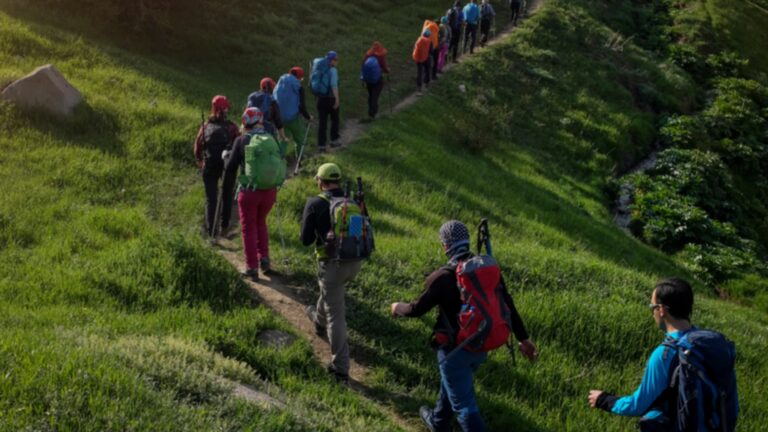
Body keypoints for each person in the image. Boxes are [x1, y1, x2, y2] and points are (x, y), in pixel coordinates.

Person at [390, 220, 538, 432]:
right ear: (467, 240)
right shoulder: (487, 271)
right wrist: (524, 339)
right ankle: (438, 422)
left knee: (464, 406)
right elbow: (508, 304)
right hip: (481, 345)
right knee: (453, 383)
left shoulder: (441, 277)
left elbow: (416, 309)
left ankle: (448, 424)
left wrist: (397, 307)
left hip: (454, 350)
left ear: (445, 245)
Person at [588, 278, 739, 431]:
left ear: (661, 310)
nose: (652, 313)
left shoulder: (666, 354)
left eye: (652, 307)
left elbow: (638, 406)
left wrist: (604, 400)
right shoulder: (707, 343)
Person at [301, 163, 364, 383]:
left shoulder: (315, 203)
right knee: (330, 293)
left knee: (336, 316)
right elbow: (356, 235)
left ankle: (340, 368)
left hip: (332, 266)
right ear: (338, 181)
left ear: (321, 181)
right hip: (354, 262)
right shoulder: (351, 202)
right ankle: (318, 321)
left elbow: (305, 240)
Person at [222, 107, 286, 280]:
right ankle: (264, 260)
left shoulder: (242, 140)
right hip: (270, 191)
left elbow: (230, 168)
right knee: (261, 223)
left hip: (250, 192)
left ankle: (251, 267)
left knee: (248, 228)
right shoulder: (270, 137)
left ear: (244, 122)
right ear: (261, 120)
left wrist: (225, 156)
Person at [193, 95, 240, 238]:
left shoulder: (206, 126)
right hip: (227, 166)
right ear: (226, 109)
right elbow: (238, 144)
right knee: (227, 195)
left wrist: (199, 160)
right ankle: (224, 227)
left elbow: (198, 145)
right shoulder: (232, 127)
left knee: (211, 199)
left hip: (209, 165)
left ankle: (211, 232)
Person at [274, 67, 313, 158]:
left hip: (280, 119)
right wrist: (308, 117)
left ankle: (279, 160)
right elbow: (302, 106)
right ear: (299, 77)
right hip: (294, 118)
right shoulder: (299, 88)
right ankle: (300, 158)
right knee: (299, 138)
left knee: (283, 139)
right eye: (301, 79)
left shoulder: (280, 83)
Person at [314, 51, 342, 152]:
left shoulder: (319, 70)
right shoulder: (333, 70)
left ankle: (321, 145)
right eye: (336, 59)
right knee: (335, 120)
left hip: (320, 99)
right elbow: (334, 85)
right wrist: (337, 99)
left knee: (322, 123)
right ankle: (334, 140)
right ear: (331, 60)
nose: (337, 61)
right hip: (330, 99)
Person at [360, 41, 390, 119]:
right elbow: (384, 67)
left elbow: (363, 65)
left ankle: (370, 112)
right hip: (377, 79)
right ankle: (373, 113)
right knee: (375, 96)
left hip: (368, 80)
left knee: (371, 95)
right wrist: (387, 70)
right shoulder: (380, 56)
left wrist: (363, 77)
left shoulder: (368, 54)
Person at [413, 29, 433, 95]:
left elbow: (415, 48)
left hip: (418, 58)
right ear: (429, 35)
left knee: (419, 72)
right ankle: (427, 83)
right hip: (426, 58)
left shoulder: (418, 40)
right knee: (427, 70)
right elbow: (431, 51)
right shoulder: (429, 41)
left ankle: (419, 87)